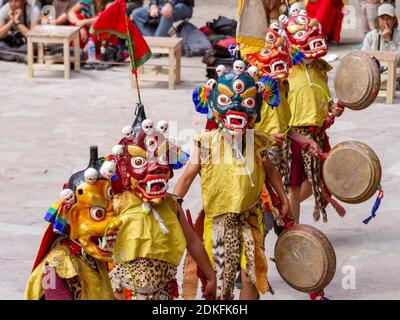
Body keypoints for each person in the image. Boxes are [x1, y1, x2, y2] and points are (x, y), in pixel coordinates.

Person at [175, 64, 290, 300]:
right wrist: (174, 203)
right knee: (221, 282)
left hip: (250, 217)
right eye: (228, 101)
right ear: (215, 105)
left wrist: (283, 198)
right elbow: (187, 176)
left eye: (247, 103)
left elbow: (269, 170)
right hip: (217, 221)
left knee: (251, 276)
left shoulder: (257, 142)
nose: (237, 108)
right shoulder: (206, 142)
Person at [107, 108, 216, 300]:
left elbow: (192, 242)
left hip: (163, 292)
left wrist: (210, 275)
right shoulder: (119, 203)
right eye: (140, 162)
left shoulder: (173, 206)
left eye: (161, 159)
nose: (154, 167)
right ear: (125, 170)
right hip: (125, 291)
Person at [25, 147, 121, 300]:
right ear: (74, 216)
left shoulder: (91, 255)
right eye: (98, 214)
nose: (114, 223)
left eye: (114, 213)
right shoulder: (53, 267)